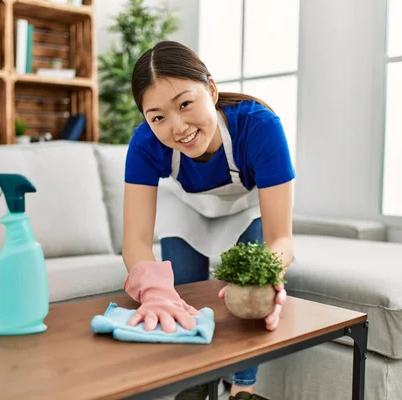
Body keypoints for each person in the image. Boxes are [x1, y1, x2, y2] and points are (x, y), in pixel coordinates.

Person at [122, 40, 295, 400]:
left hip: (245, 208)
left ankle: (242, 389)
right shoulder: (144, 145)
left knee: (250, 290)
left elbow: (281, 239)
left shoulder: (259, 126)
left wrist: (267, 276)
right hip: (187, 210)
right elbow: (136, 242)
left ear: (211, 90)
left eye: (185, 104)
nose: (177, 127)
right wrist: (154, 291)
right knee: (181, 289)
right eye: (157, 117)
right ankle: (194, 382)